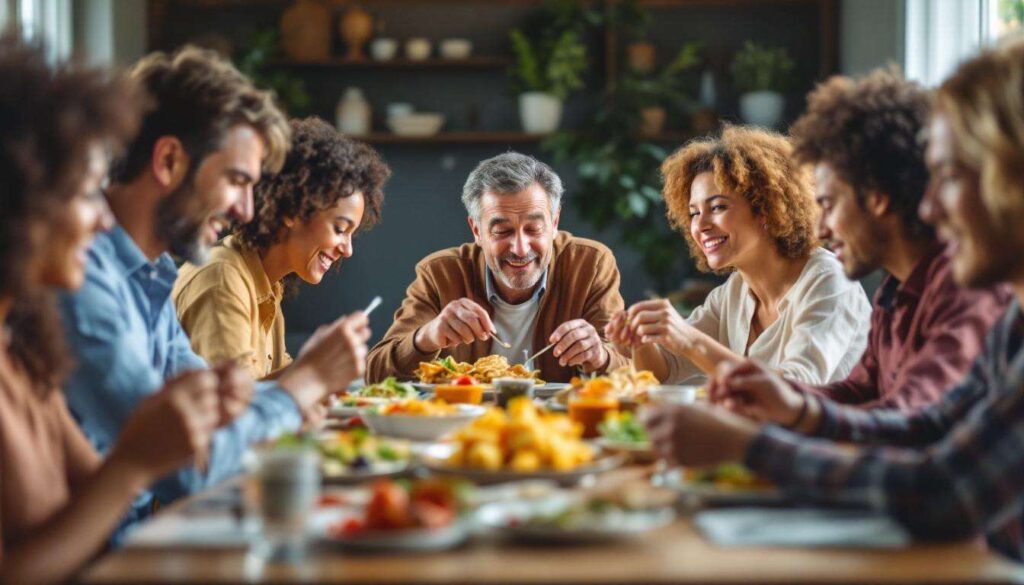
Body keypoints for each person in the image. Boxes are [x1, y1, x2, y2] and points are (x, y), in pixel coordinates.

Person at [643, 38, 1024, 562]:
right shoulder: (913, 295)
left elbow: (944, 489)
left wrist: (751, 447)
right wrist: (795, 407)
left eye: (952, 177)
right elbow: (916, 421)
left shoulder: (973, 300)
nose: (931, 206)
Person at [58, 46, 371, 514]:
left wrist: (277, 390)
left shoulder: (152, 279)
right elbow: (184, 466)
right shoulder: (84, 283)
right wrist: (302, 383)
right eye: (236, 180)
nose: (247, 210)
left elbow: (213, 419)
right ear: (168, 161)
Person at [0, 36, 225, 584]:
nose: (103, 221)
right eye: (83, 194)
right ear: (19, 205)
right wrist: (135, 463)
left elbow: (96, 502)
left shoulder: (23, 351)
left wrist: (164, 433)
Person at [773, 68, 1012, 411]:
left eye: (828, 204)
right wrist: (775, 395)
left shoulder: (962, 284)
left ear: (876, 197)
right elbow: (861, 391)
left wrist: (789, 417)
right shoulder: (893, 290)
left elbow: (914, 418)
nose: (821, 230)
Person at [607, 126, 871, 384]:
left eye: (718, 207)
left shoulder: (829, 281)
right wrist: (639, 342)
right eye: (694, 213)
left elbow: (797, 388)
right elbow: (663, 372)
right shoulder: (734, 292)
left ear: (766, 209)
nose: (700, 226)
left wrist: (689, 339)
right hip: (762, 428)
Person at [367, 152, 630, 383]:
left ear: (554, 223)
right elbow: (375, 373)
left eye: (534, 229)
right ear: (477, 230)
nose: (520, 248)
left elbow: (634, 373)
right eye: (502, 231)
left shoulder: (591, 264)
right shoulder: (439, 274)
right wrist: (427, 337)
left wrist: (600, 357)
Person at [173, 117, 390, 379]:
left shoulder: (267, 285)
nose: (347, 250)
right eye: (340, 230)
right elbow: (237, 407)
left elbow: (271, 390)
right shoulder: (222, 279)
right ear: (293, 211)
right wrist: (314, 368)